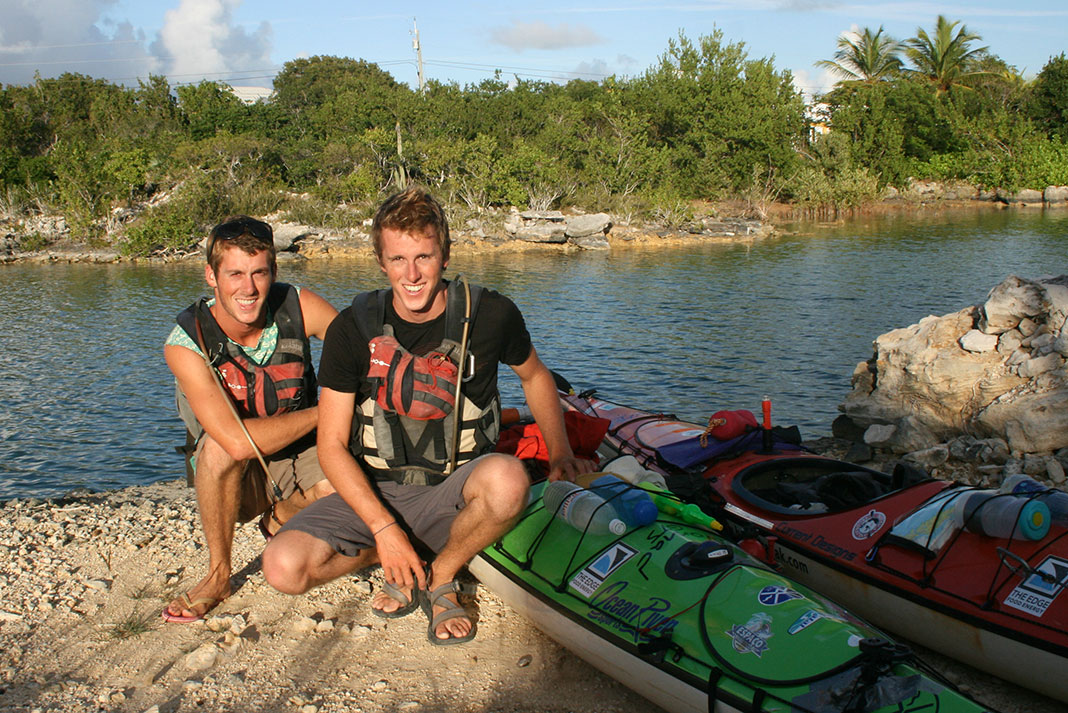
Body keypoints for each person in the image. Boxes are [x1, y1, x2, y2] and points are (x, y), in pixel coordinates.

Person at [262, 186, 594, 644]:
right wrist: (383, 529)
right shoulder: (351, 329)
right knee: (283, 568)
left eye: (424, 256)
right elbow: (332, 445)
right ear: (381, 261)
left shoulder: (492, 314)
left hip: (455, 488)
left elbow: (536, 376)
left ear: (446, 254)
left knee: (508, 478)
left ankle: (440, 575)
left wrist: (561, 451)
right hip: (376, 489)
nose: (412, 274)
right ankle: (395, 552)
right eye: (398, 259)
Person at [162, 215, 341, 623]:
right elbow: (238, 441)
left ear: (274, 272)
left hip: (301, 450)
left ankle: (282, 517)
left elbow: (362, 356)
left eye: (259, 273)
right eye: (235, 274)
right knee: (220, 450)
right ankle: (218, 575)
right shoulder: (187, 342)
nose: (248, 288)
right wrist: (328, 410)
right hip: (239, 469)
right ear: (211, 275)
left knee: (343, 489)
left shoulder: (300, 305)